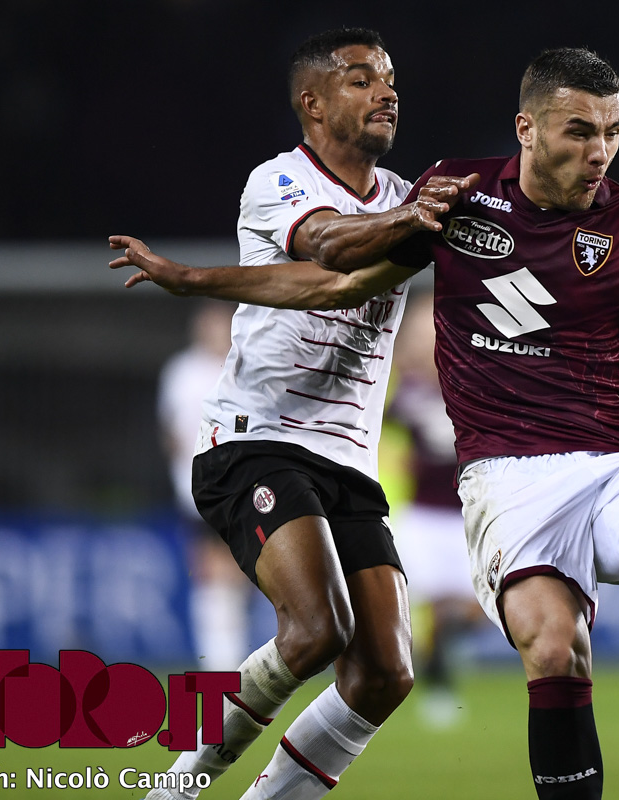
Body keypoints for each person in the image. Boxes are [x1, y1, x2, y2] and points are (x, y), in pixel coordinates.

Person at [112, 47, 619, 798]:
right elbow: (334, 285)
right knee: (555, 649)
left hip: (603, 465)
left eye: (614, 132)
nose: (601, 151)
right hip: (505, 485)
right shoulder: (457, 196)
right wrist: (195, 281)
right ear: (528, 129)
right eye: (582, 130)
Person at [109, 27, 475, 800]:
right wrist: (413, 223)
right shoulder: (278, 181)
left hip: (348, 461)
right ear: (311, 104)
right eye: (360, 79)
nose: (386, 92)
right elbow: (331, 251)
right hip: (258, 441)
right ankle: (172, 792)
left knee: (385, 674)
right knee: (315, 633)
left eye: (391, 79)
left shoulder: (407, 199)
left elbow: (332, 291)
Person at [386, 288, 486, 728]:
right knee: (416, 606)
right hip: (421, 516)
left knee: (483, 611)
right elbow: (373, 437)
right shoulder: (398, 393)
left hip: (470, 518)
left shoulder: (476, 386)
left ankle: (434, 656)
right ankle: (433, 680)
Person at [157, 299, 253, 671]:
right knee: (211, 571)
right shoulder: (182, 372)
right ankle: (221, 662)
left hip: (243, 486)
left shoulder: (242, 367)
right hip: (197, 488)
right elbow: (170, 430)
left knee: (239, 574)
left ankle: (230, 657)